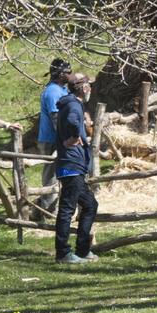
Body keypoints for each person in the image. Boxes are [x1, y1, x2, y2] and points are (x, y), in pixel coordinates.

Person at [54, 72, 98, 264]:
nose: (91, 89)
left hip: (74, 164)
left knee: (90, 205)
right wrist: (73, 138)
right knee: (67, 209)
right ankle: (63, 252)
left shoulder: (71, 103)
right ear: (84, 88)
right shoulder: (74, 105)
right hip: (71, 164)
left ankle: (82, 249)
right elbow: (73, 122)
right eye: (89, 85)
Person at [37, 58, 71, 211]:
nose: (70, 75)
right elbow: (56, 118)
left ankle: (60, 205)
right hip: (51, 139)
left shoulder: (63, 89)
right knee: (51, 175)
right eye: (67, 72)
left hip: (60, 138)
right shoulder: (52, 92)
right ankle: (49, 209)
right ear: (59, 74)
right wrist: (66, 139)